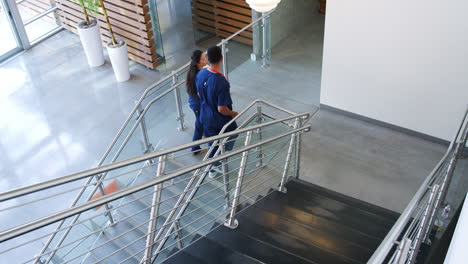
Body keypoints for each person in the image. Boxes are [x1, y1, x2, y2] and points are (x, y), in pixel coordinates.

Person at [196, 46, 238, 177]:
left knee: (212, 141)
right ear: (221, 58)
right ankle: (218, 161)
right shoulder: (221, 82)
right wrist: (233, 114)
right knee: (233, 133)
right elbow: (222, 108)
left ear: (207, 59)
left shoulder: (201, 73)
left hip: (205, 115)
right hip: (218, 119)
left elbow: (198, 94)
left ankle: (212, 167)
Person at [186, 50, 207, 155]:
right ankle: (195, 148)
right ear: (198, 63)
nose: (206, 59)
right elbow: (201, 93)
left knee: (200, 121)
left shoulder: (193, 72)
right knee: (200, 123)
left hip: (194, 103)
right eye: (203, 59)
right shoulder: (199, 76)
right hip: (197, 104)